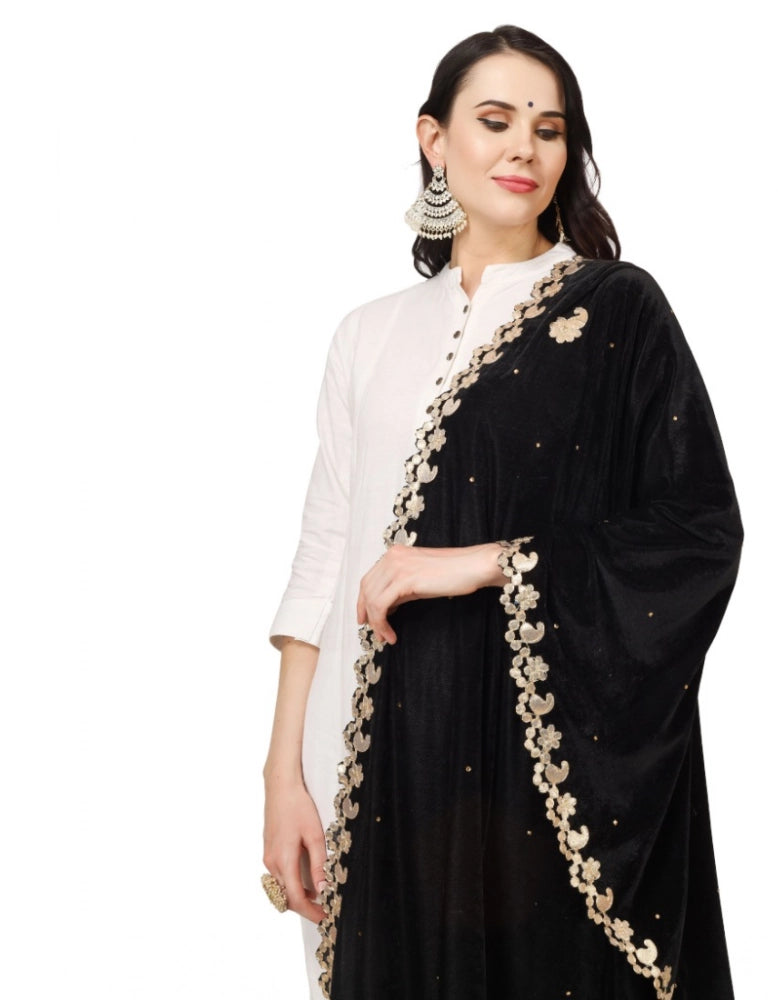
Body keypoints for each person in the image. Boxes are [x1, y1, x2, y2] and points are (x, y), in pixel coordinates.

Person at [262, 25, 742, 1000]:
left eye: (549, 128)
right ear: (434, 139)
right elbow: (322, 557)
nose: (525, 145)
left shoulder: (614, 310)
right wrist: (283, 779)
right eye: (495, 120)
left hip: (537, 755)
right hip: (372, 751)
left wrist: (487, 560)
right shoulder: (367, 334)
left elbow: (695, 529)